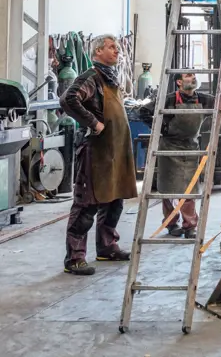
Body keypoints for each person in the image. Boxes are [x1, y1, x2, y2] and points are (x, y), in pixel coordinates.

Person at [60, 34, 137, 275]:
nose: (117, 51)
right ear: (97, 52)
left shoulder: (110, 78)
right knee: (86, 206)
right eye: (111, 48)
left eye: (117, 48)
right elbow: (68, 99)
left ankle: (107, 247)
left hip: (115, 152)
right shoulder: (91, 77)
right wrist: (94, 123)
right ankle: (74, 258)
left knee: (114, 200)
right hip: (95, 152)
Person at [139, 72, 216, 238]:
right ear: (179, 82)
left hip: (191, 147)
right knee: (168, 189)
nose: (193, 77)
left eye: (194, 75)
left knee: (189, 190)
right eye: (188, 75)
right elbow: (143, 111)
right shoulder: (169, 99)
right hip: (169, 147)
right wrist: (162, 129)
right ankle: (171, 224)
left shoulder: (203, 99)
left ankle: (190, 226)